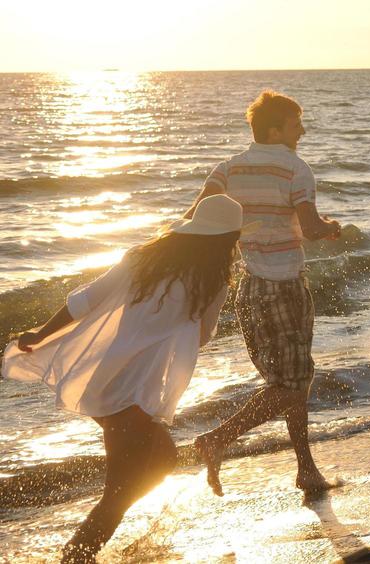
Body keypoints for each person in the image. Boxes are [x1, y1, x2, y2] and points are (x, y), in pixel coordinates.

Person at [2, 195, 251, 563]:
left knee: (163, 458)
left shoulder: (141, 259)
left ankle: (93, 546)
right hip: (134, 392)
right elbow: (203, 335)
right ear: (227, 239)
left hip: (108, 381)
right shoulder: (212, 281)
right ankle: (77, 556)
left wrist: (41, 335)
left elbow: (83, 301)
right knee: (119, 491)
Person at [187, 90, 341, 498]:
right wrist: (331, 226)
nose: (302, 131)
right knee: (292, 384)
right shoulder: (296, 169)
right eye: (296, 124)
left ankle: (306, 470)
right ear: (275, 129)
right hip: (284, 285)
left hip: (247, 289)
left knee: (289, 381)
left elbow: (193, 220)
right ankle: (217, 439)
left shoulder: (228, 169)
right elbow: (309, 228)